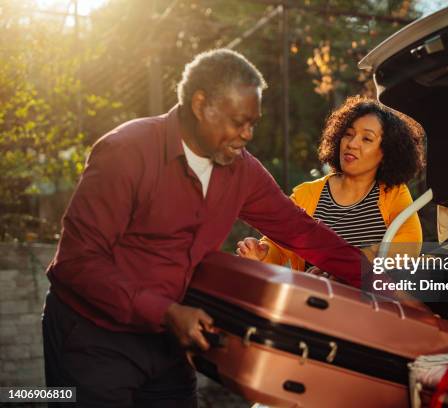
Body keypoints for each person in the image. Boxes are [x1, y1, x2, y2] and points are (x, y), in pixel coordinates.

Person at [42, 49, 364, 407]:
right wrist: (165, 312)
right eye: (239, 121)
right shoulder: (126, 152)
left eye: (253, 123)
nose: (247, 135)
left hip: (168, 342)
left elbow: (302, 231)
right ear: (200, 105)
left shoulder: (242, 170)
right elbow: (77, 263)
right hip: (93, 338)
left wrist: (377, 280)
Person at [237, 96, 424, 275]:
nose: (352, 143)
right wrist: (262, 254)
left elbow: (408, 246)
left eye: (366, 139)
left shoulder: (394, 194)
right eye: (348, 134)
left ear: (386, 152)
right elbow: (278, 244)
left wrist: (344, 268)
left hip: (371, 305)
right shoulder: (306, 194)